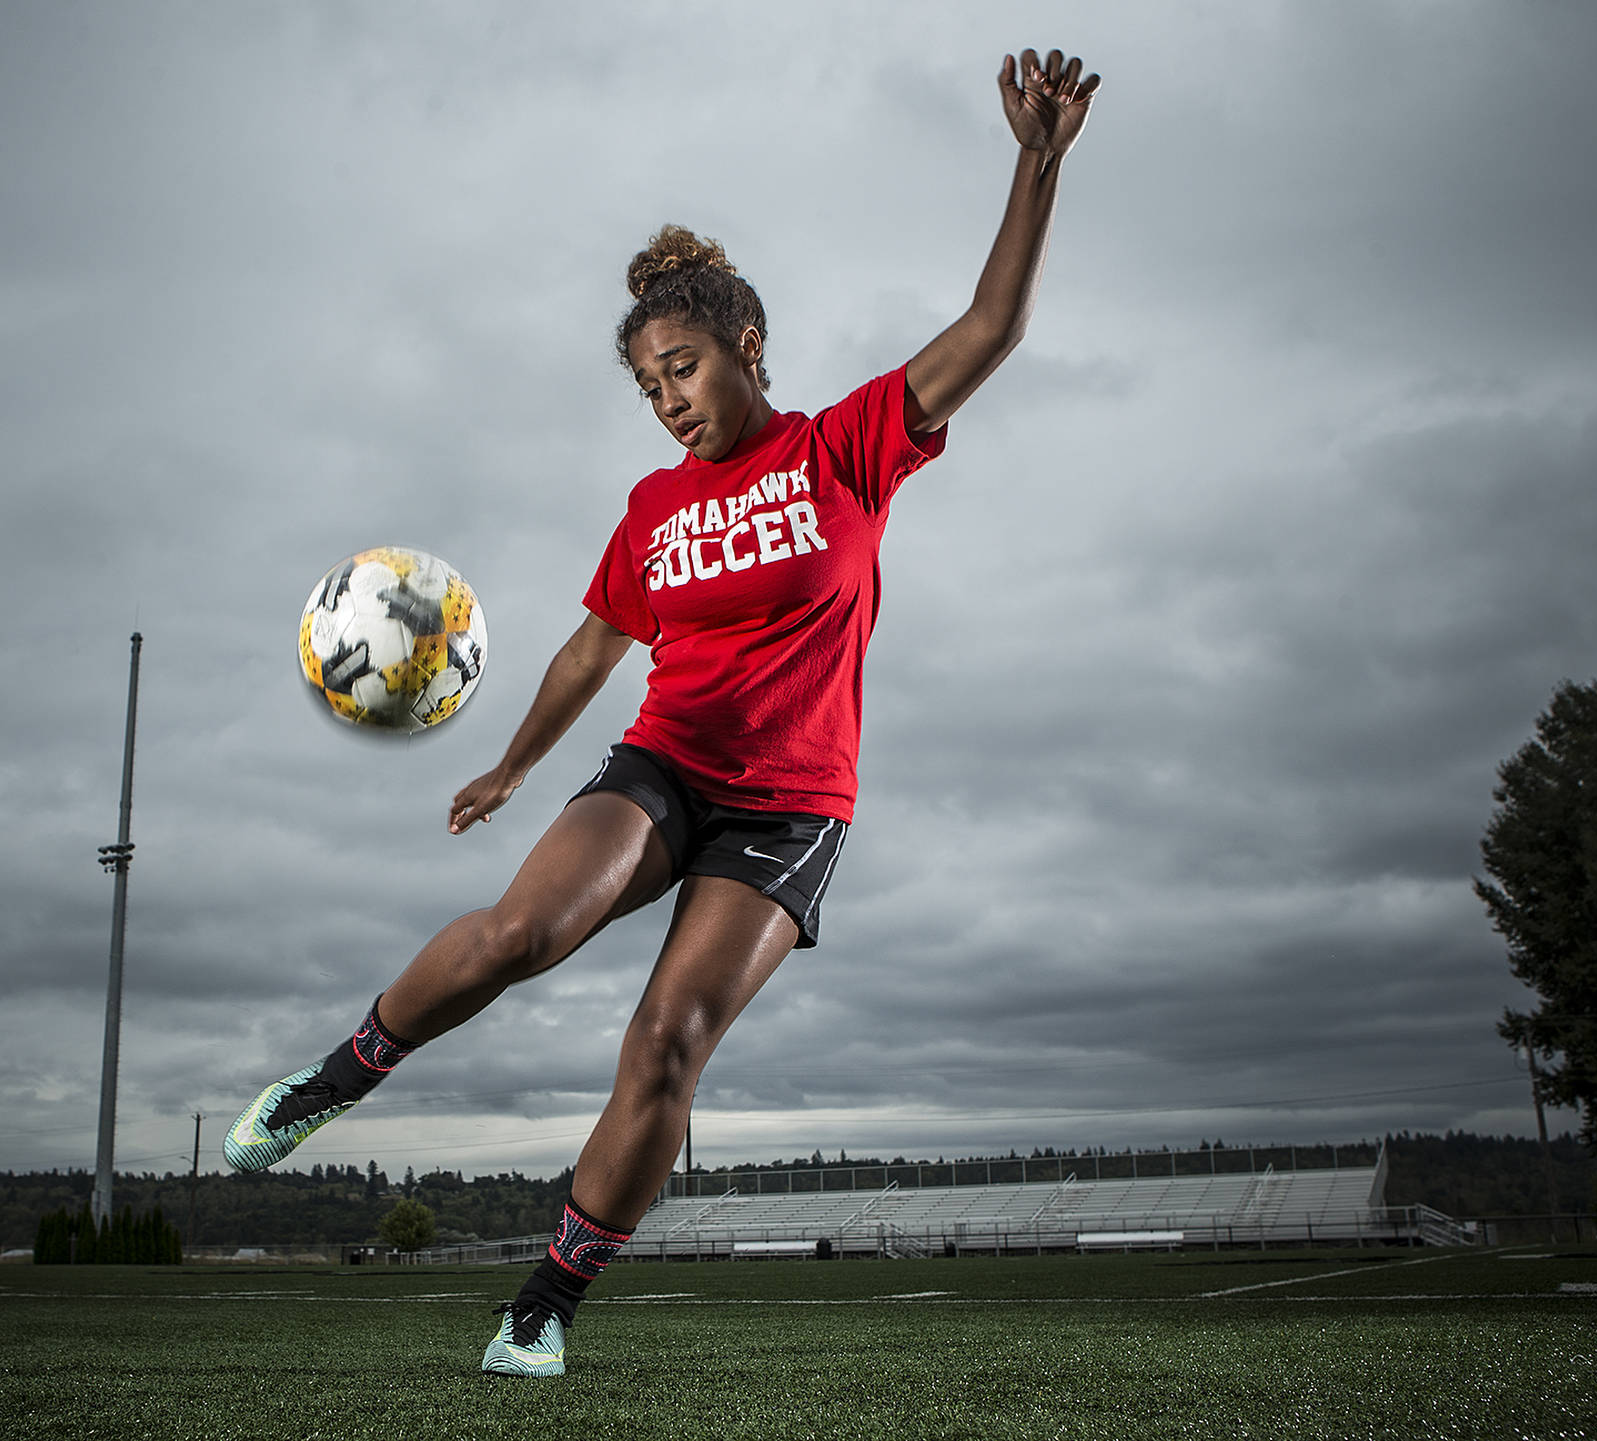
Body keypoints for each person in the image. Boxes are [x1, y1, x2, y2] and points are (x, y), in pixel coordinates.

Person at [224, 45, 1099, 1377]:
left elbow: (991, 329)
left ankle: (545, 1303)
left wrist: (1035, 164)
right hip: (664, 766)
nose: (667, 399)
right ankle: (339, 1074)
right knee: (527, 927)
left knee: (668, 1038)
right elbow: (595, 643)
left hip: (792, 809)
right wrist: (516, 763)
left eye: (681, 367)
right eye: (646, 384)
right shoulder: (653, 508)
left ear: (745, 344)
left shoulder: (847, 445)